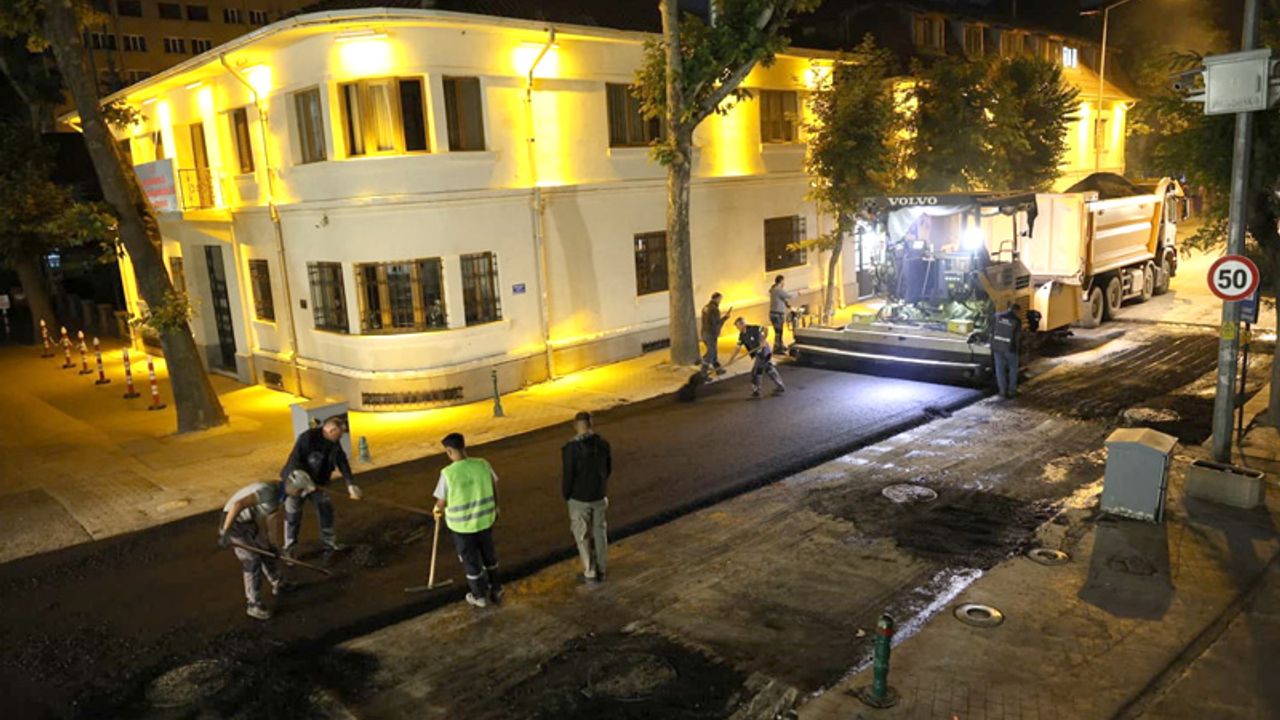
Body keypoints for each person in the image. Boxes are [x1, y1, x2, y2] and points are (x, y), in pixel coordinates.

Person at [218, 470, 317, 620]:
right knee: (252, 560)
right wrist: (225, 531)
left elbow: (271, 519)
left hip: (248, 522)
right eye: (300, 491)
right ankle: (253, 604)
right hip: (233, 522)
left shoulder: (282, 495)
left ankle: (278, 583)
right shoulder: (269, 492)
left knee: (267, 551)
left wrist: (272, 544)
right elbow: (238, 504)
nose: (301, 494)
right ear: (293, 486)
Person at [434, 432, 503, 608]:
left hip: (462, 527)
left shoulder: (448, 473)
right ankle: (496, 588)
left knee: (471, 562)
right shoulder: (482, 464)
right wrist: (496, 507)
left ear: (449, 451)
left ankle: (479, 596)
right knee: (489, 556)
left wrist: (436, 510)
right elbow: (494, 485)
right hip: (485, 521)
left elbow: (442, 500)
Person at [279, 416, 363, 556]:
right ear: (331, 430)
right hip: (296, 482)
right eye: (339, 434)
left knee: (325, 509)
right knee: (293, 514)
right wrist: (304, 480)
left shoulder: (334, 442)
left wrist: (350, 483)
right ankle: (289, 547)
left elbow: (341, 461)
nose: (340, 438)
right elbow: (295, 460)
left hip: (318, 483)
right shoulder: (308, 438)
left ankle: (329, 543)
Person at [561, 411, 612, 583]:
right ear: (591, 424)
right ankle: (602, 567)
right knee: (600, 532)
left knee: (582, 536)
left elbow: (568, 475)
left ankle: (590, 570)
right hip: (599, 495)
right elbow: (608, 469)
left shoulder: (571, 449)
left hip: (579, 498)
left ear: (575, 426)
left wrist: (567, 494)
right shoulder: (603, 444)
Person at [726, 316, 786, 398]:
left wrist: (763, 340)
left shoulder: (754, 328)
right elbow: (737, 347)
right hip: (758, 354)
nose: (737, 328)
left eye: (738, 326)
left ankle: (756, 392)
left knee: (756, 372)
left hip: (764, 352)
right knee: (769, 369)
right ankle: (780, 386)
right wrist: (731, 359)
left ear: (742, 324)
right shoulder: (742, 335)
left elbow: (765, 329)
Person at [991, 302, 1022, 399]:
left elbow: (992, 330)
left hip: (997, 347)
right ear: (1016, 311)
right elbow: (1017, 337)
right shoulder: (1017, 320)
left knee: (999, 370)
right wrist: (1018, 349)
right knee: (1013, 370)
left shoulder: (997, 316)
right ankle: (1012, 391)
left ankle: (1002, 391)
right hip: (1010, 348)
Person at [700, 292, 733, 376]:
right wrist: (725, 318)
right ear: (717, 299)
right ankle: (703, 373)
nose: (720, 301)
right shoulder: (715, 310)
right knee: (711, 353)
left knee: (713, 352)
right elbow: (716, 324)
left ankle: (718, 370)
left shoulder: (705, 307)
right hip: (711, 334)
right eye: (720, 299)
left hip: (704, 333)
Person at [769, 275, 797, 354]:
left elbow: (783, 300)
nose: (784, 283)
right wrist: (798, 293)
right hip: (777, 315)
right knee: (778, 332)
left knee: (779, 332)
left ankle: (780, 346)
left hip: (775, 314)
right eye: (783, 281)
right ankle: (777, 349)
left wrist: (789, 307)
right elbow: (788, 296)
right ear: (781, 281)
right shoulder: (778, 290)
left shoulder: (774, 290)